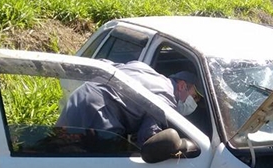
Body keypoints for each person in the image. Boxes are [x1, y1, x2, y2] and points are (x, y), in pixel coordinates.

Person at [56, 61, 202, 145]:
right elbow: (148, 138)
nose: (194, 104)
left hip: (81, 95)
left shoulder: (142, 67)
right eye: (194, 97)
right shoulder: (167, 100)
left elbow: (107, 65)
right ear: (182, 86)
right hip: (100, 113)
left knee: (55, 148)